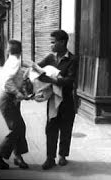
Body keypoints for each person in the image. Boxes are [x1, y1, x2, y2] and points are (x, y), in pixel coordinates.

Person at [32, 30, 78, 170]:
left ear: (62, 42)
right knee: (51, 128)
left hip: (67, 99)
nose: (50, 45)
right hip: (53, 99)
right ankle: (50, 158)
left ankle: (63, 155)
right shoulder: (50, 58)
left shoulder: (72, 59)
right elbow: (37, 68)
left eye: (53, 42)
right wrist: (34, 75)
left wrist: (51, 79)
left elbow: (70, 80)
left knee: (66, 128)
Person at [0, 40, 33, 170]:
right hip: (8, 99)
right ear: (21, 50)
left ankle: (18, 157)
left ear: (9, 50)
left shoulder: (12, 60)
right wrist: (18, 93)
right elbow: (8, 82)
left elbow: (17, 80)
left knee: (20, 127)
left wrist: (23, 92)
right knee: (17, 128)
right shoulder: (15, 61)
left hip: (11, 99)